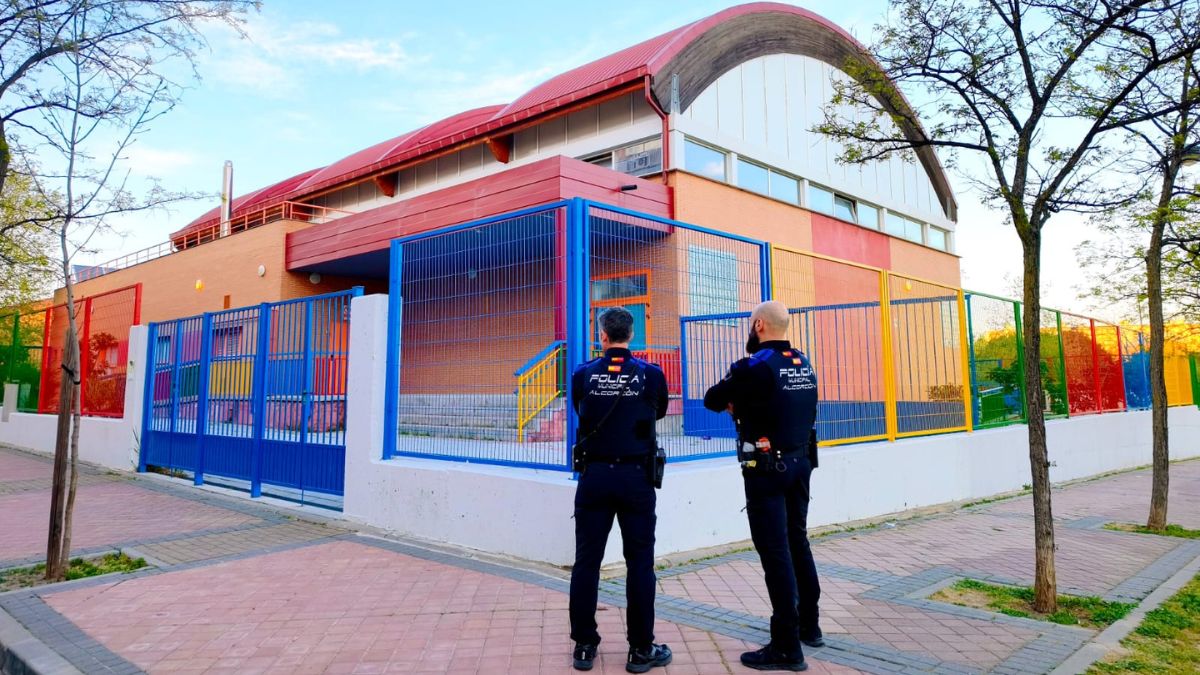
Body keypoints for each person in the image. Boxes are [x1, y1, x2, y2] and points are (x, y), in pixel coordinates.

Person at [703, 300, 823, 672]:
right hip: (801, 462)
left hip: (767, 470)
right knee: (797, 540)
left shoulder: (751, 367)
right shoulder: (804, 363)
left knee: (775, 551)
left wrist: (738, 403)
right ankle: (810, 625)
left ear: (758, 325)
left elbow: (711, 400)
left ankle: (786, 645)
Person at [569, 307, 672, 673]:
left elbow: (582, 411)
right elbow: (657, 412)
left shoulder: (583, 374)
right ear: (631, 334)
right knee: (640, 563)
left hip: (595, 476)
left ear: (603, 335)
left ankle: (584, 644)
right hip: (636, 478)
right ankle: (640, 649)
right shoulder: (651, 375)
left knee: (587, 562)